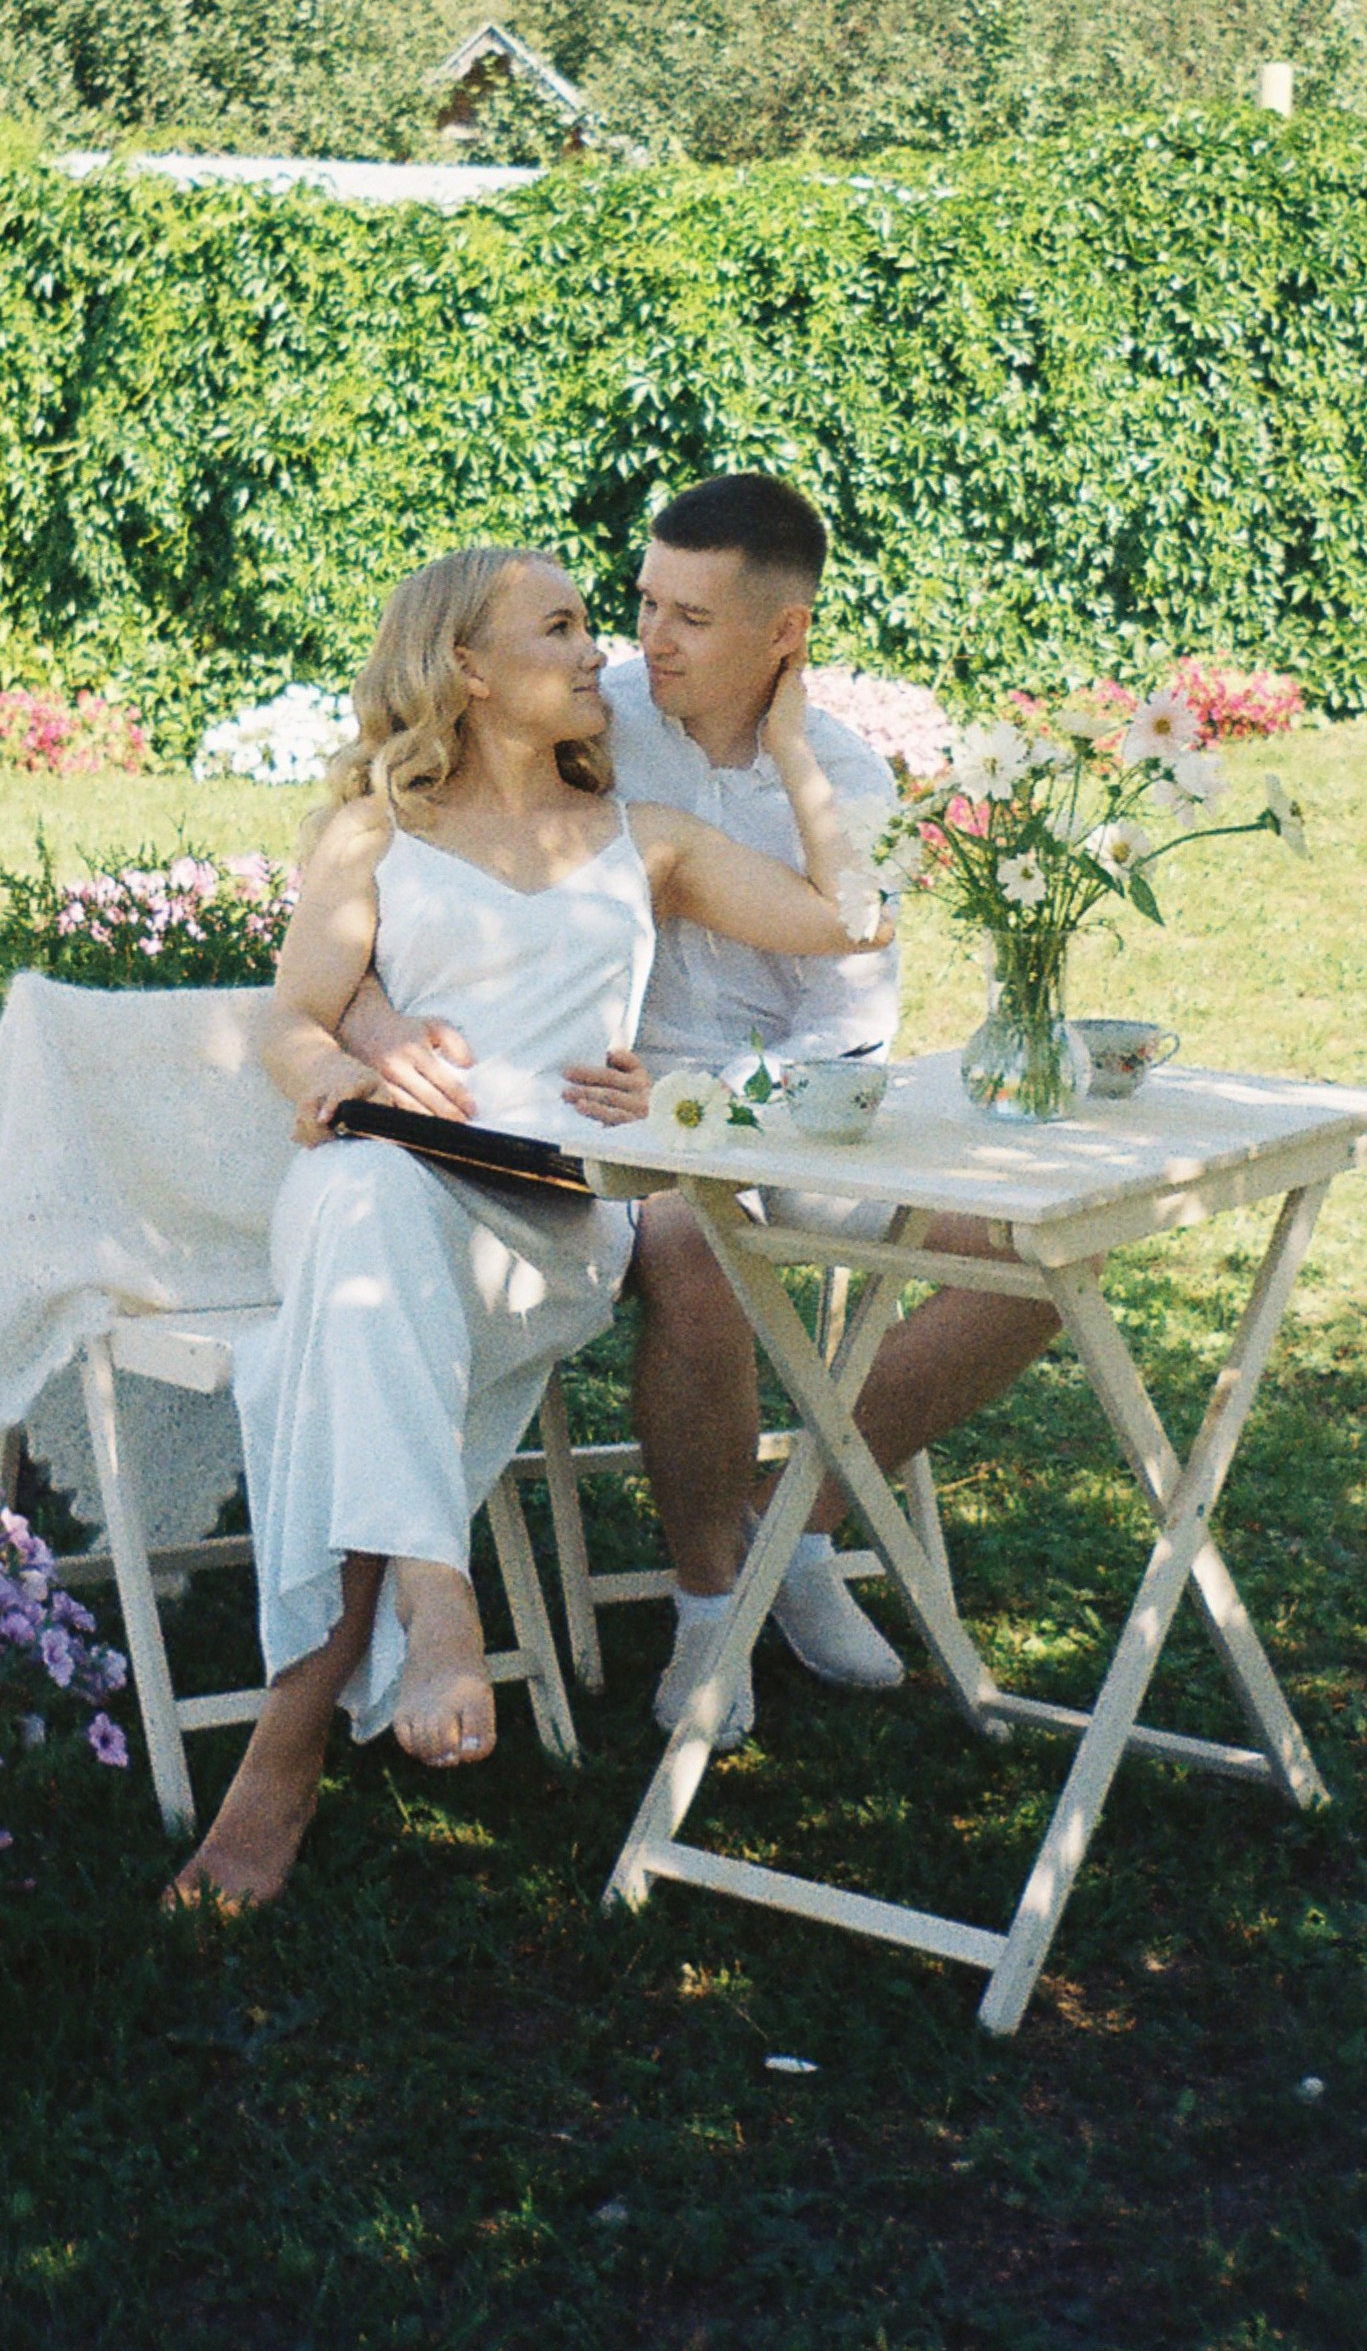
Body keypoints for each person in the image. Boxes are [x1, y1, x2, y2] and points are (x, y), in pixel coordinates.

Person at [177, 540, 887, 1907]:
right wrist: (336, 1068)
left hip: (552, 1235)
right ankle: (432, 1593)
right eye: (560, 631)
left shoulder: (648, 841)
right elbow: (289, 1020)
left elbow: (847, 922)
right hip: (387, 1197)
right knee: (367, 1192)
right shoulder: (373, 833)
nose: (594, 656)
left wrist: (792, 741)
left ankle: (288, 1750)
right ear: (466, 670)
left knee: (360, 1257)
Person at [339, 474, 1064, 1749]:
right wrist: (376, 1025)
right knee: (690, 1244)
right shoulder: (584, 714)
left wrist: (787, 759)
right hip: (598, 1113)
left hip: (783, 1105)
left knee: (1030, 1259)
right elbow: (378, 855)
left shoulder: (834, 771)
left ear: (780, 637)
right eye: (639, 604)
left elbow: (845, 1016)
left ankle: (802, 1522)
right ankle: (706, 1603)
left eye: (690, 618)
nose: (642, 642)